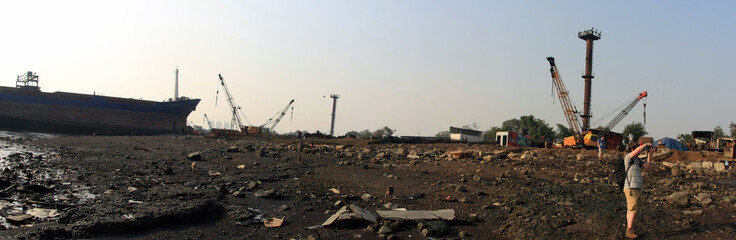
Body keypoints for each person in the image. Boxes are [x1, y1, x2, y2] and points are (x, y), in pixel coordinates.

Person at [623, 142, 653, 239]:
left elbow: (647, 167)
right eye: (638, 148)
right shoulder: (629, 157)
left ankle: (629, 228)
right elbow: (637, 151)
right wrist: (645, 145)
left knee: (630, 209)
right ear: (632, 149)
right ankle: (629, 230)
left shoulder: (637, 160)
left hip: (636, 186)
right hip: (631, 186)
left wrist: (649, 155)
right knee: (633, 209)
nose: (641, 150)